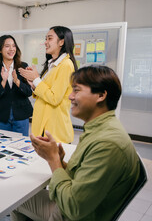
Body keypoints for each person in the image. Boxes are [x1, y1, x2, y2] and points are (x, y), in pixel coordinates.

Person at [11, 65, 140, 221]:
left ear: (101, 95)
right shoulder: (100, 129)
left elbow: (73, 207)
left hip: (72, 214)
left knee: (14, 199)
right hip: (77, 205)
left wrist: (53, 161)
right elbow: (83, 177)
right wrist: (59, 161)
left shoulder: (107, 143)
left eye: (77, 90)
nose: (70, 97)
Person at [19, 26, 78, 143]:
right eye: (45, 39)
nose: (45, 42)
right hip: (43, 126)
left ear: (61, 42)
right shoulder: (52, 64)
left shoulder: (66, 65)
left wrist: (36, 79)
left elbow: (54, 98)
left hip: (55, 130)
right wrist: (33, 83)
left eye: (49, 39)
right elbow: (45, 91)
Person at [0, 35, 33, 136]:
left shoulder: (23, 66)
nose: (11, 49)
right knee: (2, 146)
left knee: (21, 146)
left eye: (13, 46)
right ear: (0, 50)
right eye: (7, 46)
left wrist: (17, 81)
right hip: (2, 115)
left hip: (21, 114)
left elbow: (29, 92)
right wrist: (3, 81)